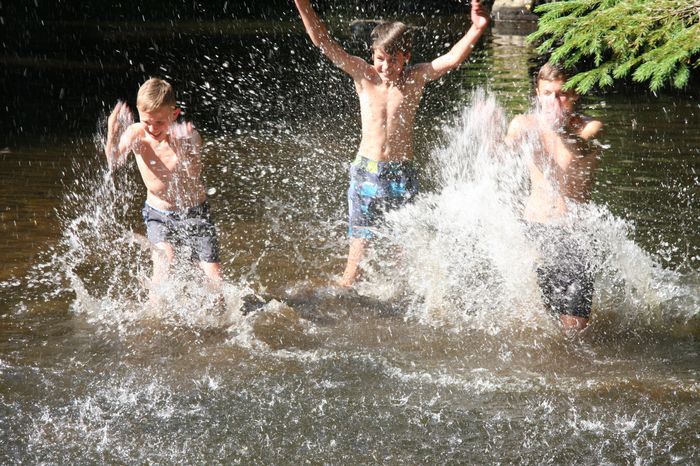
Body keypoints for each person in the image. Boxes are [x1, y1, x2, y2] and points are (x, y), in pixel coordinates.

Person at [294, 0, 490, 287]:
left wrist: (477, 28)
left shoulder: (415, 78)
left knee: (404, 257)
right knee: (356, 258)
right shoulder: (363, 75)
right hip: (365, 174)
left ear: (406, 56)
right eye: (380, 59)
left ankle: (399, 304)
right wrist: (303, 5)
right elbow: (323, 43)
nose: (386, 67)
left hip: (401, 175)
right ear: (372, 55)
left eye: (394, 60)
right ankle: (344, 297)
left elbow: (451, 59)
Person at [505, 63, 604, 331]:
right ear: (538, 94)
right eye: (547, 94)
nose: (554, 101)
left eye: (561, 95)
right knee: (539, 321)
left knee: (575, 326)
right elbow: (506, 148)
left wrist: (559, 127)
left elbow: (581, 147)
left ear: (574, 95)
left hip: (574, 234)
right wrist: (492, 138)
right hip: (534, 231)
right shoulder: (524, 124)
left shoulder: (590, 127)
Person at [104, 77, 223, 292]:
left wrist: (184, 149)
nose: (152, 128)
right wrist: (112, 131)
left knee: (213, 278)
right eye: (147, 121)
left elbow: (194, 173)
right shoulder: (136, 134)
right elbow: (113, 162)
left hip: (195, 213)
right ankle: (153, 312)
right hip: (158, 214)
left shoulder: (188, 136)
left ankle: (220, 312)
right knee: (163, 264)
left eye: (160, 122)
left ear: (174, 114)